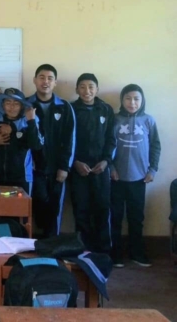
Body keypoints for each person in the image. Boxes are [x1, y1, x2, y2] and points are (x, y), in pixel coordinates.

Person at [110, 84, 160, 268]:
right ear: (122, 100)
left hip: (140, 178)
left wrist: (152, 170)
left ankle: (137, 253)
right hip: (116, 177)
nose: (132, 102)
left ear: (142, 100)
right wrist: (111, 168)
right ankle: (115, 254)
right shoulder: (114, 120)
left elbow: (155, 146)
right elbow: (107, 147)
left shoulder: (148, 120)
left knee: (136, 217)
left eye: (136, 99)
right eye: (128, 98)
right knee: (115, 217)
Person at [27, 64, 75, 238]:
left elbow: (70, 139)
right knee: (33, 209)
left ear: (55, 82)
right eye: (41, 77)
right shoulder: (27, 105)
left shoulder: (64, 106)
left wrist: (65, 167)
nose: (45, 82)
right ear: (34, 80)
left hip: (57, 169)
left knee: (55, 210)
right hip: (32, 169)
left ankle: (52, 248)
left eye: (49, 78)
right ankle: (32, 250)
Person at [71, 73, 116, 254]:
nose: (87, 91)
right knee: (81, 209)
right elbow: (66, 140)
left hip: (101, 168)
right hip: (78, 168)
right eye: (82, 86)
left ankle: (104, 251)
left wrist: (106, 161)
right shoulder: (71, 109)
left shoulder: (106, 109)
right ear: (76, 89)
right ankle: (83, 251)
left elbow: (112, 140)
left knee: (103, 209)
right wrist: (74, 162)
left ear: (97, 89)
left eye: (91, 87)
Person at [0, 88, 43, 193]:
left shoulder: (29, 121)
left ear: (22, 106)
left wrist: (30, 121)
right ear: (3, 105)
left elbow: (35, 145)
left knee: (21, 208)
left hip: (21, 177)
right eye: (8, 103)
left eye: (16, 103)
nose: (11, 107)